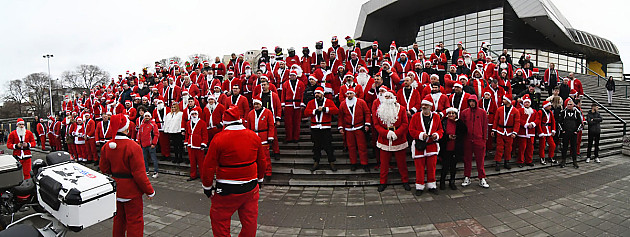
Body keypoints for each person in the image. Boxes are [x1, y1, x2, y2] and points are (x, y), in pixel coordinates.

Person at [201, 107, 266, 237]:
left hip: (227, 189)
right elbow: (262, 161)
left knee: (220, 221)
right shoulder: (254, 136)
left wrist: (207, 187)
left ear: (225, 122)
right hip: (251, 187)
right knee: (250, 221)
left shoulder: (218, 138)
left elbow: (208, 166)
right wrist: (260, 179)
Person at [100, 114, 155, 237]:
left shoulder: (107, 146)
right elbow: (139, 174)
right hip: (132, 191)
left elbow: (104, 168)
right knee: (135, 221)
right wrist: (149, 191)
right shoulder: (133, 147)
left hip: (116, 189)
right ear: (126, 128)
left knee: (118, 220)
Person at [374, 90, 410, 192]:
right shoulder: (379, 110)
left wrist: (396, 133)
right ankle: (382, 182)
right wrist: (386, 133)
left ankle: (405, 181)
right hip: (384, 140)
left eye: (389, 97)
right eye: (386, 97)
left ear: (394, 97)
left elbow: (405, 123)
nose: (388, 99)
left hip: (399, 139)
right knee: (384, 164)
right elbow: (376, 124)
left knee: (402, 163)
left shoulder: (401, 109)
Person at [304, 87, 339, 171]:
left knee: (328, 146)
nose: (317, 95)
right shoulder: (311, 102)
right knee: (316, 146)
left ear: (322, 94)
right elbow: (306, 112)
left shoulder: (329, 102)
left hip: (325, 127)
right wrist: (314, 111)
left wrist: (325, 109)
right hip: (315, 127)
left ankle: (331, 162)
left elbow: (336, 110)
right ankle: (316, 161)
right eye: (316, 93)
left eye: (318, 93)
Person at [460, 94, 490, 188]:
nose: (472, 103)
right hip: (468, 140)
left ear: (476, 102)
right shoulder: (464, 112)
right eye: (470, 102)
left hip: (479, 139)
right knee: (467, 159)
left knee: (480, 160)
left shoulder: (482, 112)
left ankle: (482, 178)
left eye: (473, 101)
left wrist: (484, 139)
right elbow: (462, 127)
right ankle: (467, 176)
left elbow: (485, 126)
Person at [338, 88, 371, 172]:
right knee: (351, 147)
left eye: (350, 93)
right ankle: (353, 163)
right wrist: (340, 126)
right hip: (348, 128)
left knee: (362, 146)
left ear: (354, 94)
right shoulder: (343, 104)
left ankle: (364, 163)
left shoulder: (361, 102)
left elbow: (367, 113)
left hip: (359, 127)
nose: (349, 95)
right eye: (347, 94)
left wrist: (367, 124)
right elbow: (340, 116)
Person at [245, 97, 276, 179]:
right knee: (254, 157)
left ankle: (268, 172)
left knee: (266, 157)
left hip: (264, 137)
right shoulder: (251, 113)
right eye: (255, 104)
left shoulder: (268, 112)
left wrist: (270, 136)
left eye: (258, 104)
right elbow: (248, 127)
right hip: (254, 137)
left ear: (261, 104)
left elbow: (271, 125)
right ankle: (257, 173)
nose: (256, 106)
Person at [438, 107, 466, 190]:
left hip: (455, 148)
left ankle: (452, 182)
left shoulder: (458, 123)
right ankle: (442, 182)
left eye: (453, 113)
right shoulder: (443, 122)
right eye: (449, 113)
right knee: (445, 166)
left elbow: (464, 131)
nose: (451, 115)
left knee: (453, 167)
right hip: (446, 148)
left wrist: (459, 123)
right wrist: (448, 137)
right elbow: (440, 134)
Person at [492, 95, 520, 171]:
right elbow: (496, 120)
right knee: (499, 148)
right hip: (500, 131)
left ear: (508, 101)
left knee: (508, 148)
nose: (503, 100)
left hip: (510, 132)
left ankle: (506, 162)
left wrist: (515, 132)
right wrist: (493, 129)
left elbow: (517, 122)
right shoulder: (499, 109)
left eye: (504, 99)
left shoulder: (515, 111)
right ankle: (497, 162)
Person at [281, 70, 306, 143]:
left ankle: (296, 137)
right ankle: (289, 137)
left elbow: (302, 94)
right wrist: (283, 104)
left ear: (296, 76)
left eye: (293, 75)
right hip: (288, 105)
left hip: (298, 105)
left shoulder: (301, 84)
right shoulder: (285, 84)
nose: (292, 76)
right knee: (288, 122)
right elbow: (283, 94)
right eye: (291, 75)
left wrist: (302, 103)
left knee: (297, 122)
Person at [558, 98, 583, 168]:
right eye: (568, 104)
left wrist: (576, 131)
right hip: (566, 132)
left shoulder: (576, 112)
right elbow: (559, 122)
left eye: (570, 104)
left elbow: (580, 123)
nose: (569, 106)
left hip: (573, 133)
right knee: (564, 147)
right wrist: (562, 130)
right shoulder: (563, 112)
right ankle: (563, 160)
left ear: (573, 105)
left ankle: (574, 161)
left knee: (574, 147)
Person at [185, 110, 208, 181]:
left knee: (201, 162)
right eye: (192, 114)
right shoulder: (188, 123)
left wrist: (204, 143)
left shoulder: (202, 123)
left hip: (199, 145)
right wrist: (186, 142)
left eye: (195, 114)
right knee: (192, 161)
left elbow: (205, 134)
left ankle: (203, 176)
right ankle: (193, 175)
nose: (194, 115)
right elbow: (187, 134)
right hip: (190, 144)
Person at [516, 95, 538, 167]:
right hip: (522, 132)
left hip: (531, 132)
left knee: (530, 147)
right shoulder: (520, 110)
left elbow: (537, 119)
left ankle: (529, 160)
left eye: (528, 102)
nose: (527, 104)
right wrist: (525, 124)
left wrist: (533, 124)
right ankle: (520, 161)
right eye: (525, 103)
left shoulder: (534, 111)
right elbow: (519, 119)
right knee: (522, 147)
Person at [137, 112, 159, 178]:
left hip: (151, 145)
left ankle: (156, 171)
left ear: (150, 117)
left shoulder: (153, 125)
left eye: (148, 116)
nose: (146, 117)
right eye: (145, 116)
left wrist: (154, 143)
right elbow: (139, 134)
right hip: (143, 145)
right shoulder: (142, 125)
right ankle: (146, 170)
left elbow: (156, 134)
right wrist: (139, 142)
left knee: (153, 158)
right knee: (144, 158)